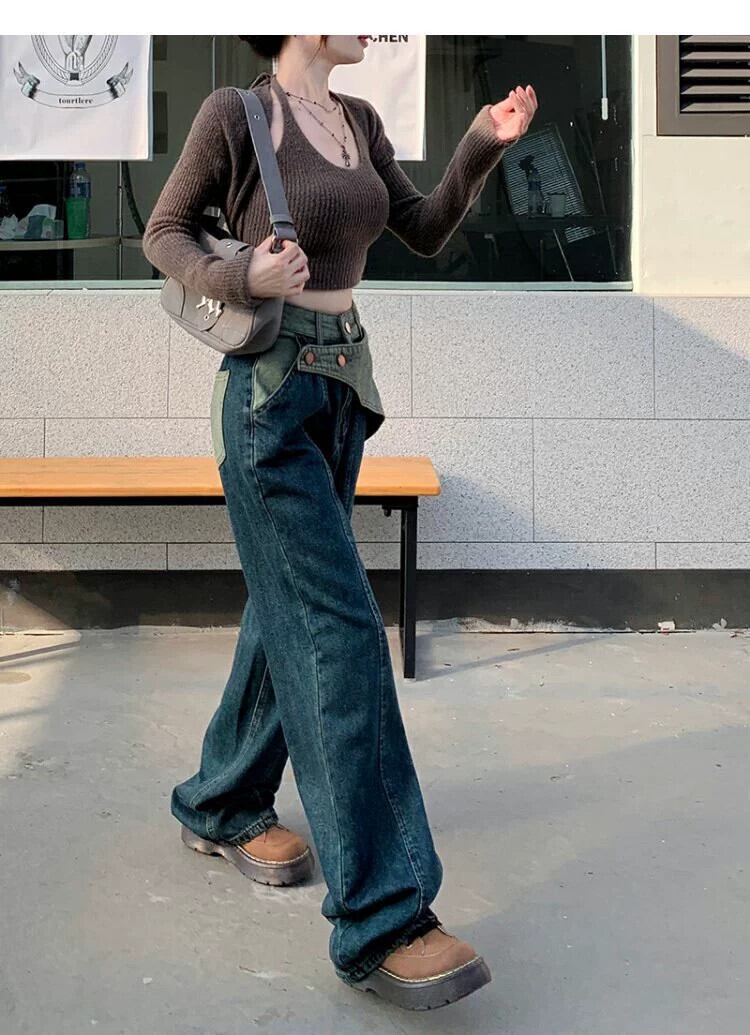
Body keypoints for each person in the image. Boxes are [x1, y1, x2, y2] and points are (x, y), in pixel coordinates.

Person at [142, 34, 537, 1011]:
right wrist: (245, 278)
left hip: (342, 391)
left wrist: (480, 143)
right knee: (338, 627)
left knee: (289, 611)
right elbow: (165, 234)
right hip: (269, 399)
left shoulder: (356, 120)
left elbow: (426, 227)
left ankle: (222, 800)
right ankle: (385, 916)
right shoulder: (237, 115)